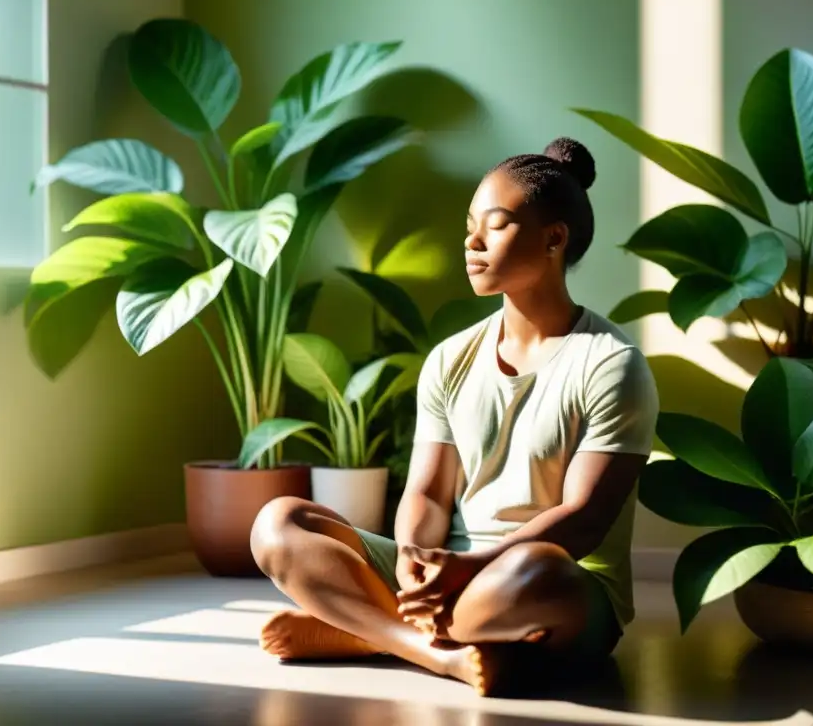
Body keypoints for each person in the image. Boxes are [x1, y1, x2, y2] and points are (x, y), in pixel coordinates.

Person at [249, 137, 660, 696]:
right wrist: (415, 563)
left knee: (539, 574)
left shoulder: (612, 364)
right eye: (470, 224)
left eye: (494, 226)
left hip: (553, 586)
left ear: (554, 239)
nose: (470, 242)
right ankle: (431, 650)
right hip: (450, 572)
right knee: (279, 525)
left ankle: (368, 629)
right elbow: (427, 494)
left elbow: (584, 520)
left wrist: (473, 568)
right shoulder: (450, 358)